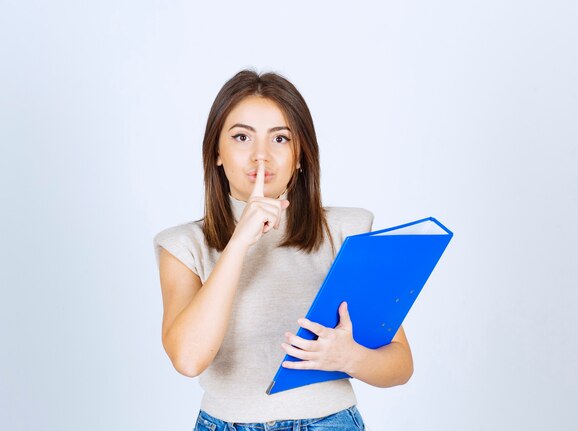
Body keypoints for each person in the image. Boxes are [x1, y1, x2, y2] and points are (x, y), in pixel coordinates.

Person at [153, 70, 413, 430]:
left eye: (280, 139)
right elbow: (188, 359)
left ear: (301, 155)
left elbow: (400, 364)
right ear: (216, 151)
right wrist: (239, 242)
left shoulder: (346, 231)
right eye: (242, 137)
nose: (261, 156)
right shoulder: (183, 245)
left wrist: (350, 357)